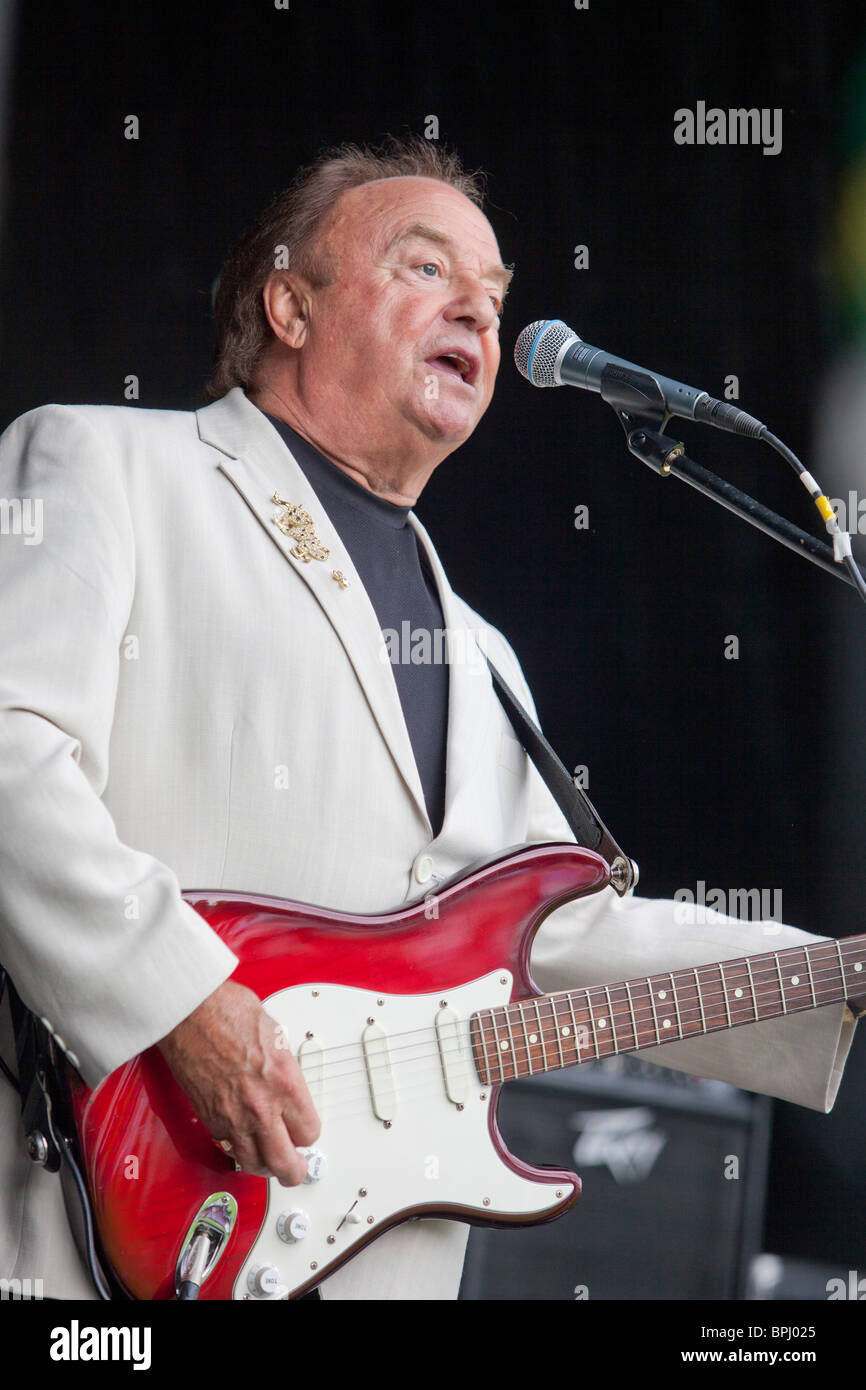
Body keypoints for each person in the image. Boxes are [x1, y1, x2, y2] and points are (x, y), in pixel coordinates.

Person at [0, 136, 857, 1302]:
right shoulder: (106, 463)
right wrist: (183, 1000)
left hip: (371, 1256)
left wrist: (838, 976)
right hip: (115, 1220)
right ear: (289, 304)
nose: (478, 309)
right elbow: (12, 752)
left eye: (495, 297)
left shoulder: (481, 653)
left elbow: (559, 939)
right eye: (423, 267)